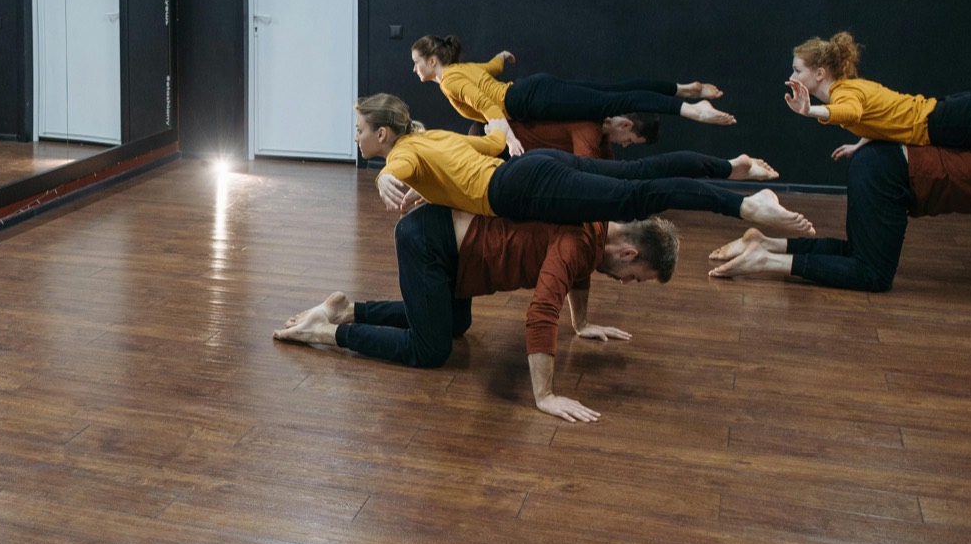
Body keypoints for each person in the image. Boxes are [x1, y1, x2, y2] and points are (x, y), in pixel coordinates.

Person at [274, 204, 678, 422]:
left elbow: (581, 274)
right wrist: (546, 396)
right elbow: (540, 313)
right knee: (429, 350)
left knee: (456, 324)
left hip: (451, 249)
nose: (627, 283)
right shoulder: (578, 244)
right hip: (429, 244)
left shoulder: (594, 225)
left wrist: (582, 323)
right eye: (635, 277)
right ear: (628, 253)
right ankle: (324, 332)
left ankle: (347, 311)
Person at [352, 93, 812, 233]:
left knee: (637, 197)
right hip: (535, 166)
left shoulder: (404, 153)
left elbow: (399, 168)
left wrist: (385, 181)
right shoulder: (431, 137)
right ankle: (730, 166)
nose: (356, 137)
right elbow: (494, 140)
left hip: (519, 189)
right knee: (638, 176)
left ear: (383, 134)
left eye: (359, 129)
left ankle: (747, 207)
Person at [709, 143, 971, 291]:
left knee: (858, 255)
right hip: (887, 174)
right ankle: (766, 261)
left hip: (880, 164)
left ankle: (767, 243)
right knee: (872, 275)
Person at [409, 35, 732, 156]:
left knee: (613, 100)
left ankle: (691, 109)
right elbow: (488, 70)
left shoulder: (450, 81)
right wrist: (503, 56)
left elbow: (488, 104)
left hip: (528, 102)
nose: (415, 69)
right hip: (531, 88)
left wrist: (506, 138)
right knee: (613, 91)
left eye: (416, 63)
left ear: (433, 60)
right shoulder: (460, 70)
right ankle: (683, 89)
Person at [785, 30, 971, 160]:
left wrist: (809, 110)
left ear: (820, 73)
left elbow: (851, 113)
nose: (792, 76)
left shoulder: (845, 93)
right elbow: (878, 118)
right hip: (952, 115)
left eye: (798, 70)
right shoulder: (849, 89)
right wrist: (859, 145)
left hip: (952, 120)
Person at [506, 115, 656, 160]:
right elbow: (584, 177)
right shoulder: (589, 128)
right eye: (629, 140)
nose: (624, 145)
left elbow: (613, 174)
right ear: (625, 125)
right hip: (502, 147)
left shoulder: (602, 136)